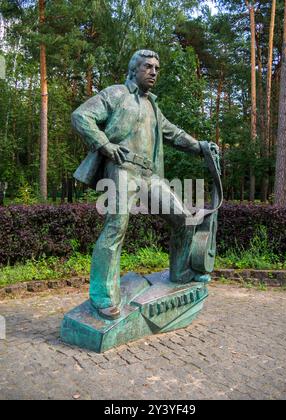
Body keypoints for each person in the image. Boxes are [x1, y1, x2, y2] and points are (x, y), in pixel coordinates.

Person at [72, 50, 214, 320]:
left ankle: (180, 272)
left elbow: (173, 133)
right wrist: (104, 145)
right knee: (116, 227)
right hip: (122, 169)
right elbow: (81, 116)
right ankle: (103, 296)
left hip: (150, 176)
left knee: (184, 219)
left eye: (157, 68)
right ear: (134, 69)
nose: (154, 72)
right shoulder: (116, 94)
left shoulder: (153, 106)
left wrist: (201, 147)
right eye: (148, 66)